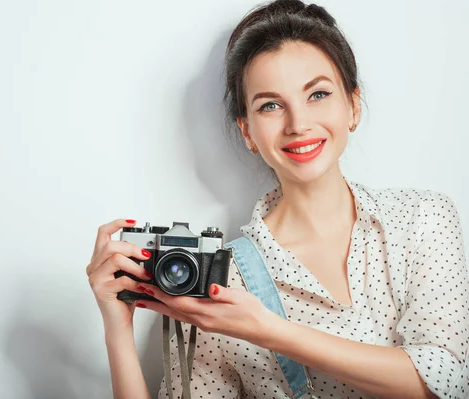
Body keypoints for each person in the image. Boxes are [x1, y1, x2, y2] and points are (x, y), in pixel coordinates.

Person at [86, 0, 469, 398]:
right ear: (248, 132)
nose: (298, 123)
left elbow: (446, 380)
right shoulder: (218, 283)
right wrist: (116, 329)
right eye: (270, 105)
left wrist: (270, 331)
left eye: (317, 94)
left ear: (353, 106)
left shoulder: (422, 219)